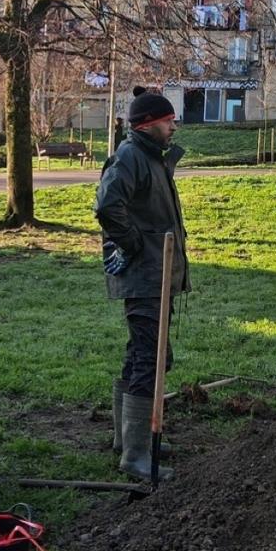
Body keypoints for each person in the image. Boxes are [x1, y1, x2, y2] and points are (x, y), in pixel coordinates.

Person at [94, 87, 189, 481]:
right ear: (150, 124)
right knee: (150, 358)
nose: (174, 127)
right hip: (145, 274)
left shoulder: (151, 158)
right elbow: (107, 205)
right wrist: (134, 244)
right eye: (169, 121)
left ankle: (127, 438)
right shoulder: (132, 156)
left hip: (155, 273)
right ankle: (135, 456)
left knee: (143, 353)